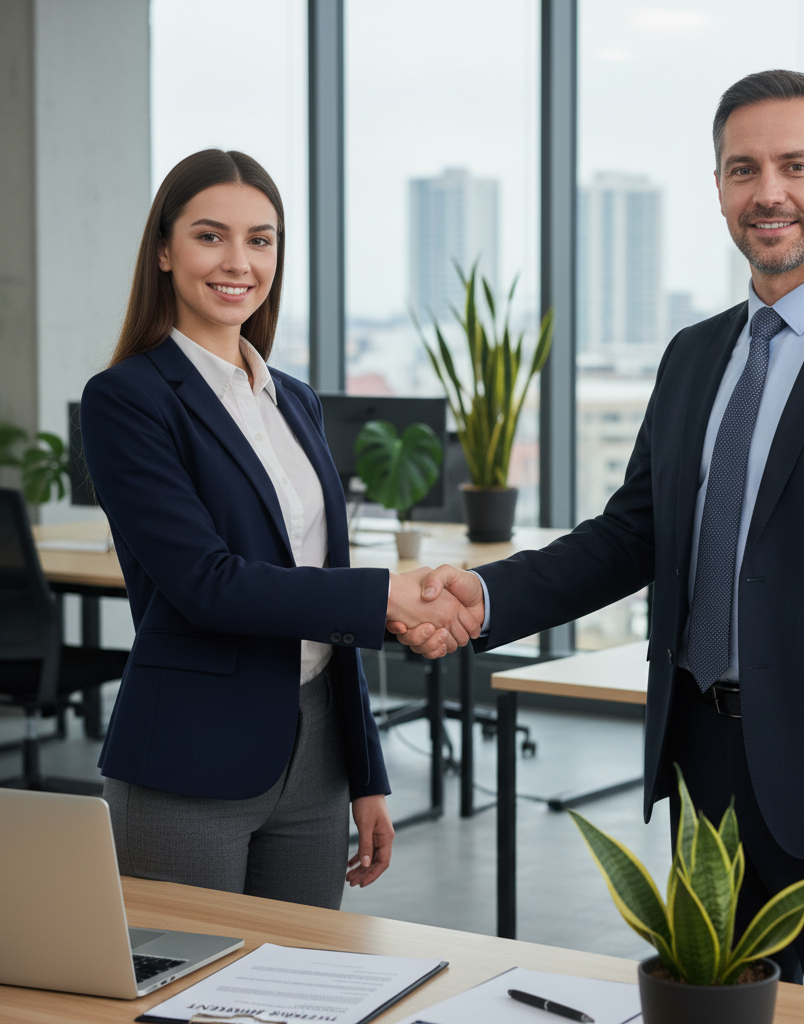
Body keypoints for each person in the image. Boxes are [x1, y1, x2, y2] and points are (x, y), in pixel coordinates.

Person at [392, 71, 804, 1001]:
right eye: (742, 168)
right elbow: (633, 534)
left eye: (796, 165)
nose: (769, 192)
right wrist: (488, 594)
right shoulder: (692, 355)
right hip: (702, 765)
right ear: (717, 187)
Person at [81, 149, 476, 910]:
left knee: (302, 994)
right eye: (210, 236)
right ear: (164, 251)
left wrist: (366, 774)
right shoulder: (128, 399)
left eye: (260, 240)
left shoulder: (294, 400)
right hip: (191, 757)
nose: (239, 262)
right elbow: (206, 585)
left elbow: (322, 591)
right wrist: (388, 595)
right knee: (189, 991)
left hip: (316, 753)